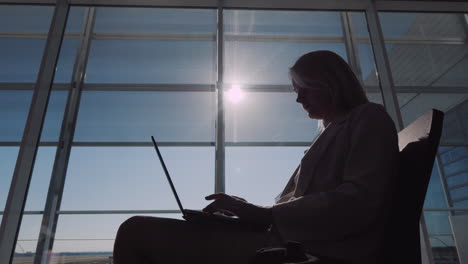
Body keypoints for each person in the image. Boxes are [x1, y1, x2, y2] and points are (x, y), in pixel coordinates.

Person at [112, 50, 399, 264]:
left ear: (330, 83)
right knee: (137, 232)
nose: (298, 99)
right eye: (296, 91)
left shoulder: (368, 118)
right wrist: (248, 212)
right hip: (296, 240)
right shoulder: (333, 132)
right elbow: (307, 206)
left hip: (317, 249)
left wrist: (265, 214)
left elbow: (358, 201)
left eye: (304, 89)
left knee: (135, 232)